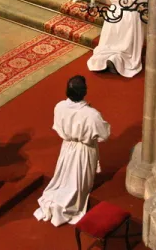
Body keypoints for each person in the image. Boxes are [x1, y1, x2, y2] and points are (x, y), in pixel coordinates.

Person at [33, 76, 110, 226]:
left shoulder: (59, 106)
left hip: (67, 147)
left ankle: (59, 198)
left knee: (65, 175)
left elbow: (58, 126)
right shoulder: (92, 114)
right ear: (85, 91)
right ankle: (69, 203)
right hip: (84, 150)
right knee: (78, 180)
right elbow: (104, 135)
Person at [87, 0, 148, 77]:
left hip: (115, 12)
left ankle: (105, 60)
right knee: (126, 48)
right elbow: (144, 1)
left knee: (109, 44)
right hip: (130, 15)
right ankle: (117, 61)